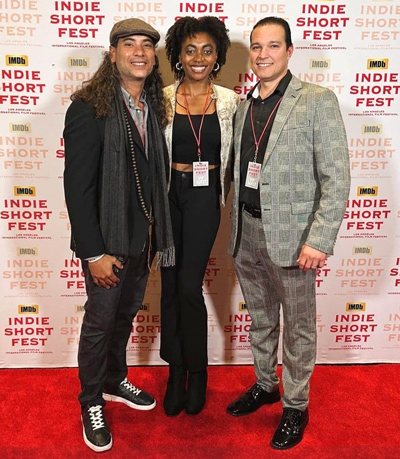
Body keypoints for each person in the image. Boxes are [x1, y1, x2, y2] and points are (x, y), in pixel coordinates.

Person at [227, 17, 350, 450]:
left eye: (273, 46)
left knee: (298, 328)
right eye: (256, 47)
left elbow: (336, 176)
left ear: (290, 51)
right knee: (261, 320)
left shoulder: (317, 100)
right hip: (246, 232)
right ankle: (265, 384)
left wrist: (319, 239)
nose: (262, 54)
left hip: (296, 240)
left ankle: (295, 405)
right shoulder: (244, 106)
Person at [63, 18, 174, 452]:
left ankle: (112, 380)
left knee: (125, 317)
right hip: (106, 245)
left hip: (143, 241)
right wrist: (93, 254)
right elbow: (78, 188)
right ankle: (91, 400)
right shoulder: (88, 107)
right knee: (99, 322)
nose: (140, 52)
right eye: (129, 44)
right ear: (113, 54)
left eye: (147, 45)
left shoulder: (152, 105)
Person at [160, 16, 240, 416]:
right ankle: (176, 371)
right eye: (190, 49)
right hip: (168, 196)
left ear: (218, 56)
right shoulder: (160, 98)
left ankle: (198, 370)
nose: (198, 58)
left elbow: (240, 159)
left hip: (204, 197)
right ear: (177, 54)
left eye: (207, 50)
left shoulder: (229, 101)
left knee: (189, 285)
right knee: (171, 284)